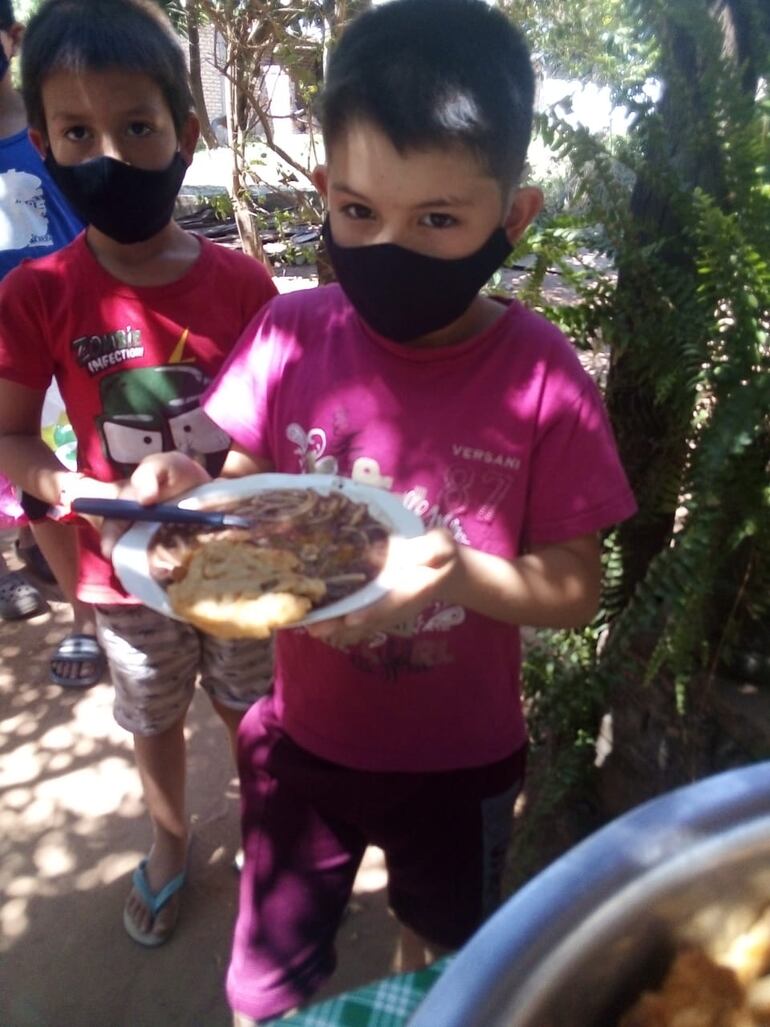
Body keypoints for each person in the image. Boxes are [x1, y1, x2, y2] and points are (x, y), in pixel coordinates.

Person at [127, 0, 637, 1018]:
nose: (388, 246)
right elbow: (240, 496)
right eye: (358, 212)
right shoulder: (289, 333)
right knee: (262, 986)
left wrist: (453, 570)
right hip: (301, 742)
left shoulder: (540, 376)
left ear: (513, 217)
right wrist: (185, 491)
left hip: (464, 761)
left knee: (438, 961)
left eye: (437, 220)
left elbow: (573, 588)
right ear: (324, 192)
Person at [0, 0, 277, 948]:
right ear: (41, 142)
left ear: (185, 135)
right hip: (119, 576)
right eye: (77, 132)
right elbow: (11, 438)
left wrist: (228, 484)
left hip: (241, 564)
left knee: (250, 703)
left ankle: (265, 831)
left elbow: (274, 423)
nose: (108, 155)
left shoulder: (244, 286)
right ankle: (169, 840)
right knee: (152, 714)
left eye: (136, 126)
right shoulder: (37, 292)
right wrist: (71, 493)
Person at [0, 0, 105, 687]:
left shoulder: (52, 136)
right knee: (26, 482)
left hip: (61, 344)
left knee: (68, 476)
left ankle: (89, 615)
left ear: (10, 38)